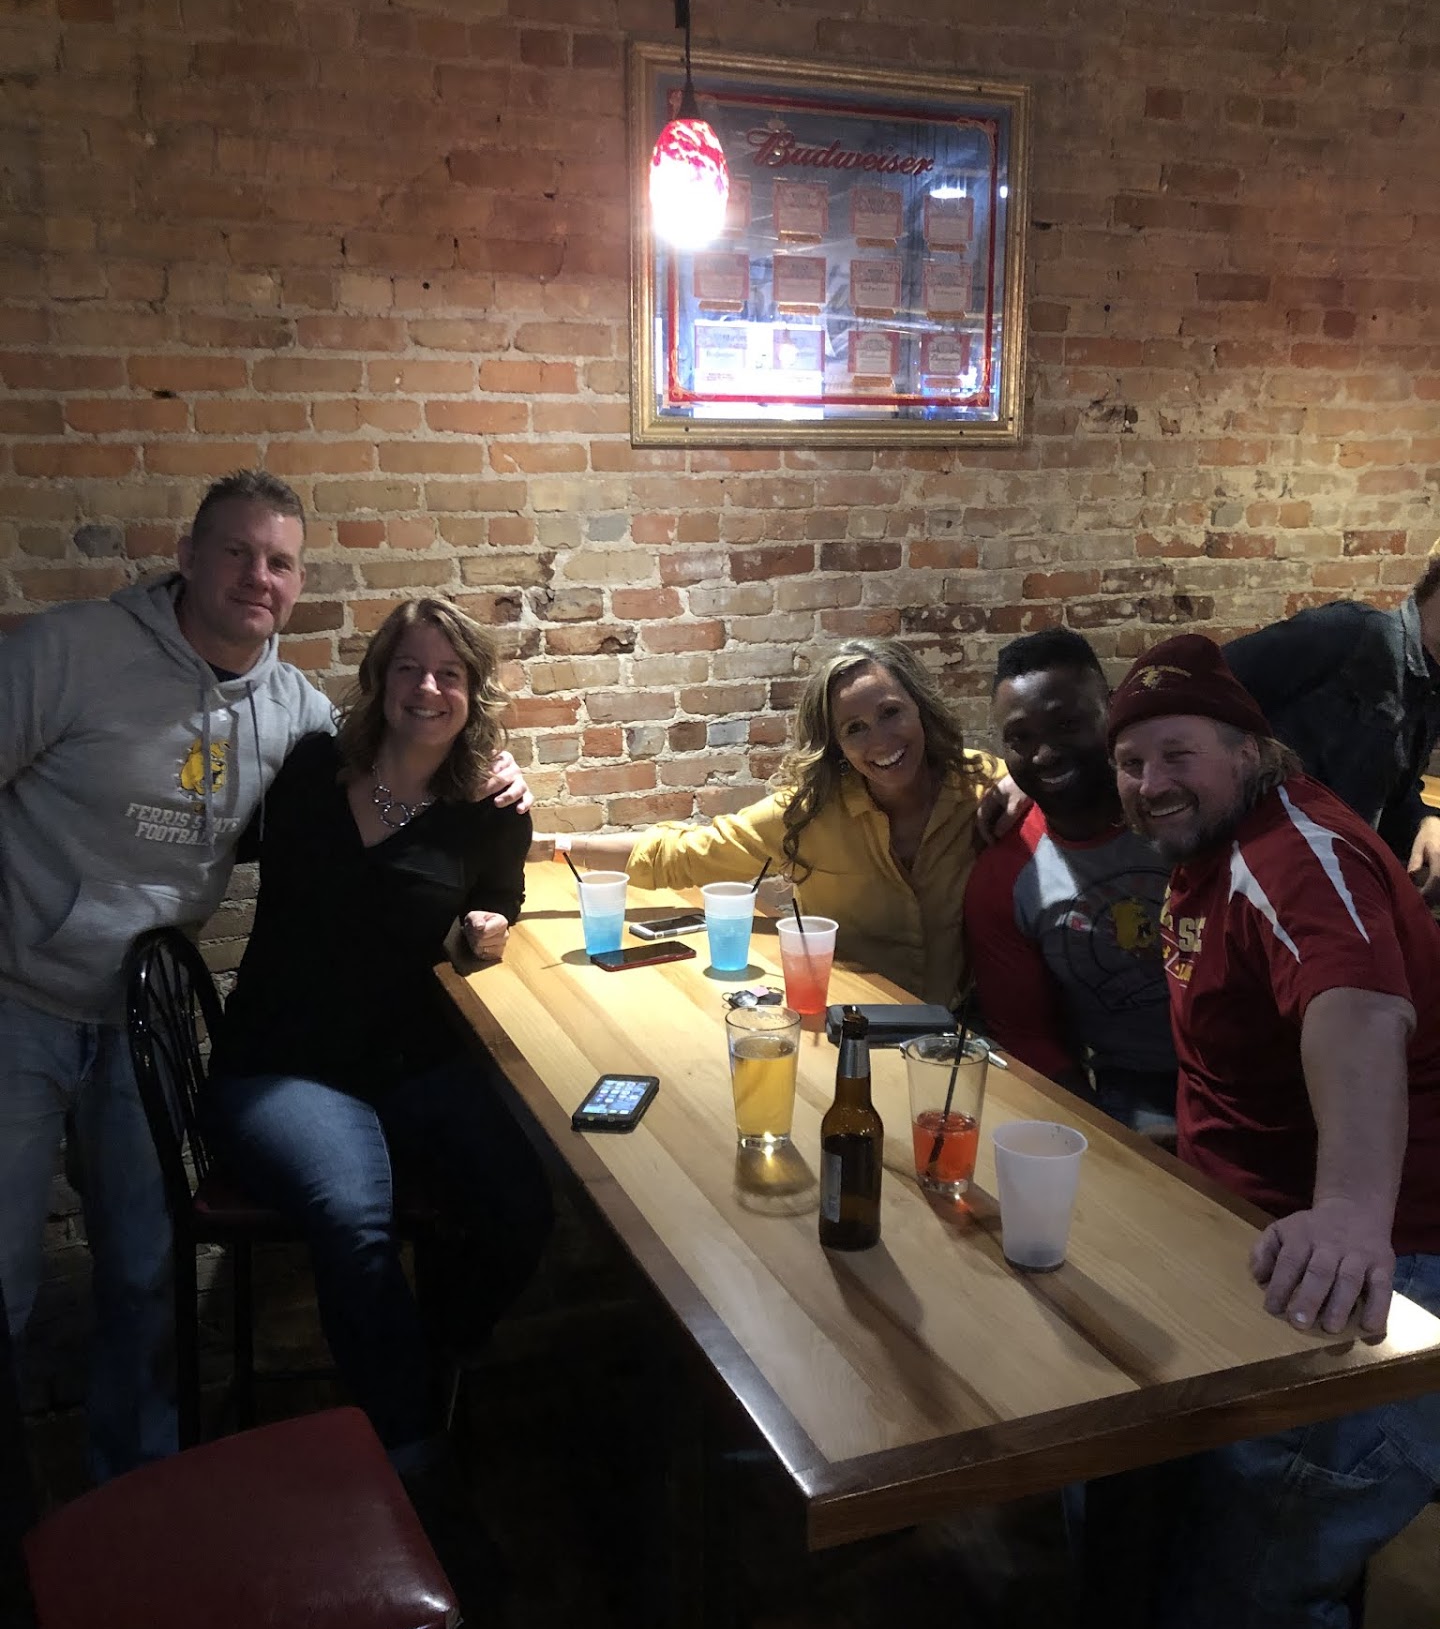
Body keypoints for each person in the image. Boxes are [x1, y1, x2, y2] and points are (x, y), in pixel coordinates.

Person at [0, 469, 529, 1480]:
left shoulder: (294, 717)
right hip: (19, 999)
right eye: (237, 553)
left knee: (143, 1274)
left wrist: (502, 772)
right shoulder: (73, 652)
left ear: (298, 584)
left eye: (279, 562)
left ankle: (140, 1491)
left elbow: (397, 773)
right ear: (188, 558)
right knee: (5, 1285)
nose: (258, 576)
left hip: (139, 1023)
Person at [1107, 631, 1440, 1629]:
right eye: (1132, 763)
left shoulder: (1293, 850)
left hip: (1390, 1264)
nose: (1151, 782)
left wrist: (1351, 1212)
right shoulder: (1212, 844)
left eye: (1178, 754)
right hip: (1250, 1237)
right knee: (1117, 1479)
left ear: (1249, 747)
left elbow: (1358, 1008)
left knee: (1248, 1578)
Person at [204, 598, 551, 1516]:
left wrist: (487, 927)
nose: (427, 688)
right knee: (354, 1221)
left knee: (523, 1206)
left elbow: (501, 907)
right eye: (409, 668)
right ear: (379, 681)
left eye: (449, 673)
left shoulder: (490, 811)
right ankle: (412, 1460)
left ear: (473, 692)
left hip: (409, 1059)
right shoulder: (312, 770)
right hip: (283, 1064)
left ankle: (433, 1351)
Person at [529, 636, 1013, 1008]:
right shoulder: (808, 814)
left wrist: (1024, 785)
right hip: (848, 1024)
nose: (881, 741)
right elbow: (681, 855)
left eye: (891, 713)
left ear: (920, 709)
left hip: (959, 1033)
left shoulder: (981, 785)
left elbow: (1049, 787)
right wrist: (553, 845)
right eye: (855, 729)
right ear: (836, 745)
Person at [964, 628, 1175, 1135]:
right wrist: (1105, 1139)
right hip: (1129, 1089)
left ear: (1112, 708)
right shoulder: (1004, 876)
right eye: (1021, 738)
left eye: (1067, 725)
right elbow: (1029, 1039)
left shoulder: (1181, 808)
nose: (1044, 754)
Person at [1223, 546, 1440, 897]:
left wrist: (1424, 821)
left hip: (1325, 892)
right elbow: (1200, 683)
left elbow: (1388, 789)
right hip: (1256, 885)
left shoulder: (1429, 688)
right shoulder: (1349, 633)